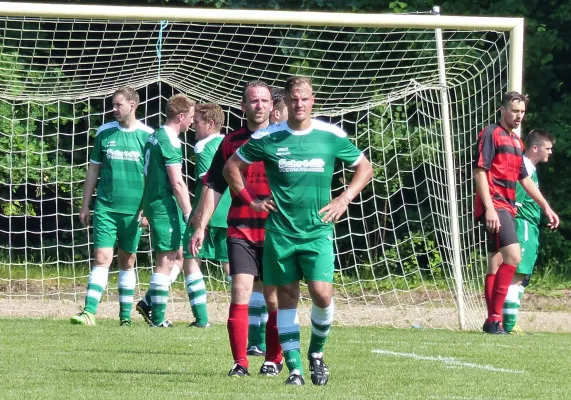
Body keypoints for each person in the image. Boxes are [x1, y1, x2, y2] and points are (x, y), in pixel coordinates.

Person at [223, 76, 373, 386]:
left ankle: (316, 353)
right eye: (293, 99)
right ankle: (294, 370)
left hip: (317, 232)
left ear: (312, 100)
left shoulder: (329, 136)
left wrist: (344, 198)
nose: (299, 104)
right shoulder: (269, 137)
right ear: (286, 103)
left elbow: (365, 167)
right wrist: (252, 201)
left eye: (304, 98)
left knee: (322, 294)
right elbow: (231, 168)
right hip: (280, 233)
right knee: (286, 298)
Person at [189, 80, 283, 377]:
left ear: (271, 106)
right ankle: (240, 363)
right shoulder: (230, 142)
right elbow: (214, 185)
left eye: (264, 101)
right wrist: (201, 226)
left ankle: (273, 359)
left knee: (274, 299)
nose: (259, 105)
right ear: (243, 106)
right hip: (240, 229)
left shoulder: (284, 139)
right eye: (253, 101)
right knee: (239, 291)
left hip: (277, 231)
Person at [474, 92, 559, 335]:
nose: (518, 115)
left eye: (522, 111)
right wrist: (489, 207)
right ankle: (495, 319)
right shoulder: (491, 134)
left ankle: (491, 321)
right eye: (514, 110)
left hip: (506, 207)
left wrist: (545, 206)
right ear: (502, 110)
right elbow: (480, 171)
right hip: (496, 205)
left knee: (495, 264)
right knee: (513, 257)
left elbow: (524, 178)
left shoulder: (517, 142)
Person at [71, 87, 153, 327]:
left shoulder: (148, 136)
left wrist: (147, 208)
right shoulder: (104, 133)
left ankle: (125, 317)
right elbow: (94, 169)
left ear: (132, 105)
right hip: (106, 207)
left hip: (134, 210)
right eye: (113, 105)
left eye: (118, 105)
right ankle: (89, 312)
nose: (113, 109)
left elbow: (153, 176)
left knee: (127, 260)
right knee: (102, 257)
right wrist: (85, 204)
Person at [141, 93, 194, 327]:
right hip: (163, 205)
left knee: (180, 255)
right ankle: (158, 319)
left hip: (157, 203)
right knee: (165, 260)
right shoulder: (169, 141)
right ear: (181, 116)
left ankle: (148, 301)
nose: (192, 122)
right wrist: (189, 212)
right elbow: (177, 182)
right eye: (191, 117)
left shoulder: (154, 136)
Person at [247, 87, 289, 357]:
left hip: (280, 223)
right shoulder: (263, 142)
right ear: (276, 113)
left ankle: (261, 342)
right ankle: (259, 341)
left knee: (266, 286)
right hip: (257, 222)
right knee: (261, 285)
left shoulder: (283, 141)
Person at [182, 103, 231, 327]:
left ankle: (201, 319)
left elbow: (206, 185)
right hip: (230, 213)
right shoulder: (229, 143)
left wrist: (199, 217)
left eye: (198, 121)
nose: (193, 125)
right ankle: (250, 317)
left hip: (209, 211)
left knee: (190, 259)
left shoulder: (203, 146)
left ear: (210, 124)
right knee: (231, 267)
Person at [502, 129, 556, 334]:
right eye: (548, 148)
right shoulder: (523, 166)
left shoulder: (529, 169)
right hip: (523, 225)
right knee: (518, 274)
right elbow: (515, 200)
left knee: (520, 276)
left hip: (530, 225)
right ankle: (508, 325)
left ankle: (504, 321)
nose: (550, 152)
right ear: (535, 148)